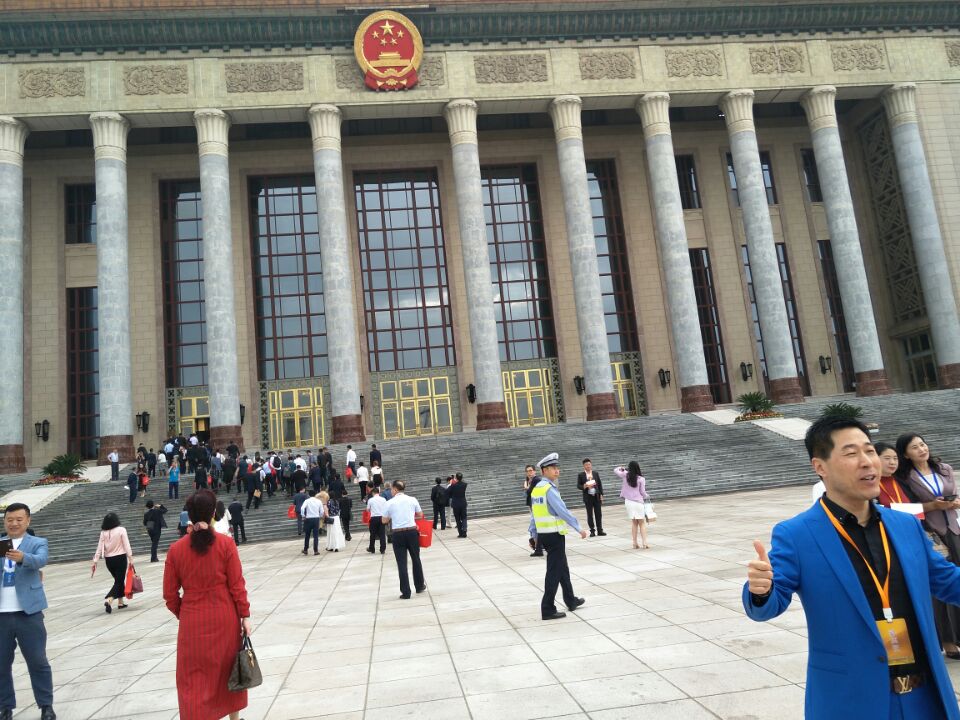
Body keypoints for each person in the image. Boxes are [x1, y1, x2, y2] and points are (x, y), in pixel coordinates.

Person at [745, 416, 960, 719]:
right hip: (852, 702)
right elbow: (769, 604)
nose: (867, 461)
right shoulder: (797, 534)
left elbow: (948, 581)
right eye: (851, 453)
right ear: (820, 467)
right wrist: (760, 589)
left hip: (925, 700)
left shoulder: (904, 525)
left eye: (869, 450)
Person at [163, 490, 252, 720]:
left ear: (189, 515)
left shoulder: (176, 550)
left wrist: (185, 612)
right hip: (224, 617)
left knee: (194, 678)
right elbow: (237, 585)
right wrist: (244, 615)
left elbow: (169, 595)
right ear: (213, 513)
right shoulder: (226, 544)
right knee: (228, 670)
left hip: (192, 622)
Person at [896, 433, 960, 660]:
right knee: (940, 584)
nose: (922, 449)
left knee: (957, 581)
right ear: (905, 454)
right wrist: (933, 505)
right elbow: (907, 507)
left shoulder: (944, 469)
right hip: (931, 532)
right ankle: (947, 640)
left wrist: (953, 502)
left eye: (922, 444)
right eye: (914, 447)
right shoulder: (905, 477)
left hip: (954, 529)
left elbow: (952, 493)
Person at [0, 503, 55, 720]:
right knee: (1, 664)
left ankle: (46, 706)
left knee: (37, 661)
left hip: (28, 613)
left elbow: (41, 560)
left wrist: (23, 558)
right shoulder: (1, 543)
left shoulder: (37, 542)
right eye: (9, 519)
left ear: (28, 520)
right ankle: (5, 707)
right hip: (2, 615)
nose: (13, 523)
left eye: (18, 519)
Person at [529, 453, 586, 620]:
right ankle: (547, 608)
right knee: (554, 572)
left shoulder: (537, 489)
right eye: (553, 468)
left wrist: (533, 534)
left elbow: (534, 515)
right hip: (554, 535)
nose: (557, 470)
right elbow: (562, 511)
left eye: (557, 467)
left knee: (562, 568)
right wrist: (578, 528)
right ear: (544, 471)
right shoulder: (549, 489)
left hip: (545, 535)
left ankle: (570, 599)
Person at [382, 480, 426, 599]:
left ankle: (406, 592)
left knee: (401, 563)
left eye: (392, 489)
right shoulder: (412, 499)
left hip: (398, 534)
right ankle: (419, 586)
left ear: (395, 489)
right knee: (416, 559)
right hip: (412, 532)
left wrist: (392, 516)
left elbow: (384, 520)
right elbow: (420, 514)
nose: (391, 491)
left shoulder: (389, 503)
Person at [91, 512, 134, 613]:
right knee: (119, 581)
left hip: (109, 560)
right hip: (120, 558)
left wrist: (95, 561)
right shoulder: (121, 530)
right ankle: (109, 600)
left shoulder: (103, 533)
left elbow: (99, 547)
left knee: (118, 580)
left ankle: (120, 602)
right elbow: (126, 545)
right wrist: (130, 558)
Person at [615, 461, 650, 549]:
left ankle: (634, 543)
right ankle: (644, 543)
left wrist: (621, 468)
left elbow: (615, 470)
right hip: (638, 502)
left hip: (628, 502)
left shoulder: (625, 475)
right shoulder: (641, 479)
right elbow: (642, 492)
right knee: (641, 523)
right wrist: (647, 496)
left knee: (634, 523)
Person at [577, 458, 605, 537]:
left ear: (591, 465)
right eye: (586, 465)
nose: (588, 466)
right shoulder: (581, 475)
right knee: (590, 514)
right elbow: (578, 485)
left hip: (596, 496)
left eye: (589, 464)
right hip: (588, 497)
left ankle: (600, 530)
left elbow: (599, 484)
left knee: (598, 514)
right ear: (584, 466)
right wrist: (585, 486)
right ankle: (592, 531)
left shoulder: (595, 473)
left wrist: (601, 494)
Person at [524, 465, 543, 557]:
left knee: (533, 528)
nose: (529, 472)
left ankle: (538, 548)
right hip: (533, 506)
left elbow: (529, 492)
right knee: (534, 528)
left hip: (537, 507)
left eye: (531, 470)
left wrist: (526, 487)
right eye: (527, 471)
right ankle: (538, 547)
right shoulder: (530, 480)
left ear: (535, 471)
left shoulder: (536, 480)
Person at [301, 491, 324, 556]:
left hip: (308, 519)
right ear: (315, 494)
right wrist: (320, 515)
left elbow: (302, 508)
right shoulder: (319, 501)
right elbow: (322, 511)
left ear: (309, 495)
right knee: (316, 536)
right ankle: (316, 550)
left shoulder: (307, 501)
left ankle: (305, 549)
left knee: (307, 535)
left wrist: (303, 515)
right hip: (316, 519)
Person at [367, 486, 387, 555]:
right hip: (382, 517)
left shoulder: (370, 500)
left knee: (372, 534)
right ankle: (382, 549)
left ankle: (372, 548)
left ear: (373, 493)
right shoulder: (383, 499)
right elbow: (386, 508)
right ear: (379, 492)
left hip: (374, 518)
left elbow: (368, 509)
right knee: (382, 534)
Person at [448, 472, 468, 538]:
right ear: (462, 477)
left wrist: (451, 484)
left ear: (456, 478)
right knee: (464, 517)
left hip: (455, 504)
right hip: (463, 503)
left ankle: (460, 533)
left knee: (458, 519)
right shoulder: (464, 484)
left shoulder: (453, 485)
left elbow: (447, 492)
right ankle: (464, 531)